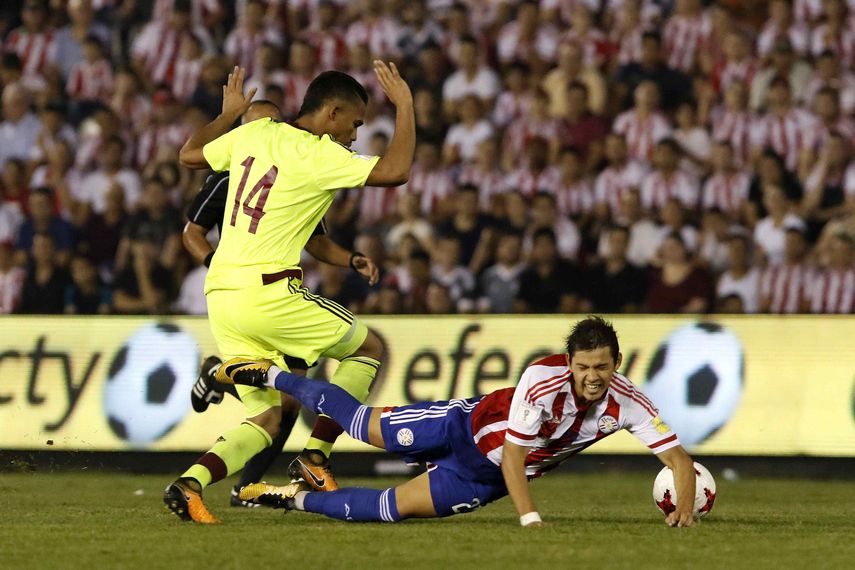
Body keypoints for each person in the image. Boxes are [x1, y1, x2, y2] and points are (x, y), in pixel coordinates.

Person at [164, 62, 414, 523]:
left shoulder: (255, 133)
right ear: (333, 113)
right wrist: (406, 106)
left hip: (221, 294)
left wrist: (228, 114)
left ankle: (190, 484)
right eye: (355, 123)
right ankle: (316, 458)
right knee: (369, 348)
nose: (355, 136)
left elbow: (190, 155)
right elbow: (397, 171)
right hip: (269, 291)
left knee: (267, 418)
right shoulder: (320, 153)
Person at [219, 316, 698, 528]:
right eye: (584, 367)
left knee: (389, 511)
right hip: (460, 427)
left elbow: (678, 460)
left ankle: (287, 499)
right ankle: (271, 372)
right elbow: (515, 456)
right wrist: (529, 518)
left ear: (616, 362)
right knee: (360, 423)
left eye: (603, 367)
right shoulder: (541, 379)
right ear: (569, 362)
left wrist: (686, 508)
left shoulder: (628, 402)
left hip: (480, 477)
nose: (593, 378)